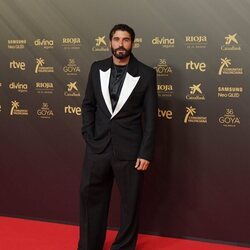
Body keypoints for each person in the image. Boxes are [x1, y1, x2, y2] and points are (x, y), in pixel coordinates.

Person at [78, 24, 157, 250]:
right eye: (116, 39)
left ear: (132, 43)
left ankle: (123, 247)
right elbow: (88, 105)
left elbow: (151, 118)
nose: (120, 44)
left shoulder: (146, 74)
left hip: (131, 151)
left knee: (130, 205)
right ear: (109, 42)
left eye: (125, 40)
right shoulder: (96, 68)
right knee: (90, 198)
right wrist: (88, 135)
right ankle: (88, 245)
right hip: (98, 147)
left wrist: (145, 151)